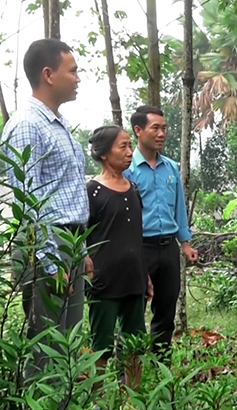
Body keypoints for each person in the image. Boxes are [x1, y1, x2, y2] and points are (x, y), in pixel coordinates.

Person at [3, 38, 89, 378]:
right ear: (48, 74)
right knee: (46, 345)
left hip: (69, 243)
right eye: (74, 71)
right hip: (47, 247)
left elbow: (65, 193)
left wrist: (79, 249)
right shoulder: (27, 125)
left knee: (67, 341)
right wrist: (50, 263)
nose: (78, 78)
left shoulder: (58, 123)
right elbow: (27, 203)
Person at [123, 105, 198, 364]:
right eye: (155, 127)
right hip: (139, 249)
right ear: (138, 130)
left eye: (164, 128)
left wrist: (185, 243)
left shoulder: (171, 168)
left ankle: (161, 365)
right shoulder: (127, 170)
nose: (162, 133)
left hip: (167, 249)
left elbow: (178, 207)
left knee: (165, 309)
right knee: (134, 311)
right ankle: (130, 370)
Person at [85, 125, 153, 388]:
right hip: (103, 283)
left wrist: (145, 275)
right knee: (100, 344)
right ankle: (100, 398)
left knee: (134, 343)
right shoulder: (92, 191)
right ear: (104, 153)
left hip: (134, 279)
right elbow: (82, 237)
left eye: (129, 146)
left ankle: (132, 396)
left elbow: (136, 235)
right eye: (122, 146)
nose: (129, 152)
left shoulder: (133, 189)